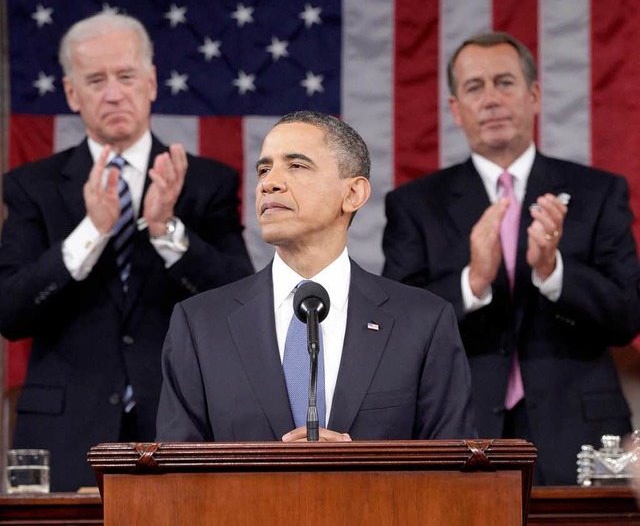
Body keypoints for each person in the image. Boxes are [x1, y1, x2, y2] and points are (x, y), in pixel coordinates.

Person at [0, 13, 254, 491]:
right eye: (96, 80)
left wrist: (166, 229)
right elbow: (10, 312)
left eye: (126, 76)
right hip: (66, 432)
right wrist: (91, 233)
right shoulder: (31, 187)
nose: (113, 92)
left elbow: (240, 304)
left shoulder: (205, 183)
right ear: (72, 94)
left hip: (179, 427)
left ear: (152, 82)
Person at [382, 31, 640, 484]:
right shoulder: (415, 204)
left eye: (505, 82)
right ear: (455, 109)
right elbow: (397, 331)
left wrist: (553, 272)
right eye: (475, 87)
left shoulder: (598, 192)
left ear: (534, 95)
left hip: (580, 435)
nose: (492, 99)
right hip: (460, 434)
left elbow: (627, 316)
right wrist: (473, 282)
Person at [156, 111, 476, 443]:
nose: (269, 182)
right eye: (264, 169)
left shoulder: (423, 321)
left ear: (353, 194)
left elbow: (452, 471)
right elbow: (177, 479)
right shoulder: (200, 325)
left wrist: (356, 468)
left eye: (296, 166)